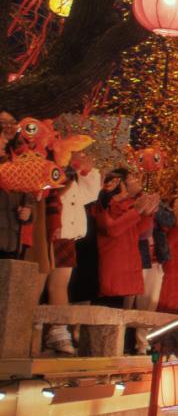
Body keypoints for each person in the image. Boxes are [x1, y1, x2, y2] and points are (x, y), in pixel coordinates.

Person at [42, 150, 100, 354]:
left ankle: (57, 331)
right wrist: (64, 179)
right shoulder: (48, 167)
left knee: (60, 284)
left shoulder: (73, 176)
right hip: (47, 230)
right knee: (39, 284)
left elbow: (90, 194)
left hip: (66, 234)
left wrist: (86, 171)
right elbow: (46, 194)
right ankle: (40, 331)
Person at [94, 168, 157, 306]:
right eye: (131, 178)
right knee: (106, 310)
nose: (137, 180)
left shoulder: (129, 205)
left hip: (127, 266)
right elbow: (112, 229)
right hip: (114, 268)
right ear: (119, 184)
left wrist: (147, 214)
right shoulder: (103, 205)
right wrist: (137, 211)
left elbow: (136, 232)